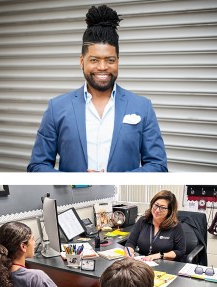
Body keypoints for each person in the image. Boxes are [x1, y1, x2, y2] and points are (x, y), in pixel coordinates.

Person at [27, 5, 168, 172]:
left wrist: (117, 179)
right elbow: (37, 166)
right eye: (94, 60)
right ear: (82, 61)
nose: (102, 67)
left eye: (110, 60)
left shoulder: (142, 107)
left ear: (118, 61)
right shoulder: (56, 108)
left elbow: (157, 166)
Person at [125, 190, 186, 261]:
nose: (157, 210)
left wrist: (159, 255)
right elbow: (130, 243)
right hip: (143, 262)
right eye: (156, 205)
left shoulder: (175, 226)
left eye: (162, 208)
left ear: (169, 211)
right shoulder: (143, 221)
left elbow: (180, 251)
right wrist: (129, 252)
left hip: (164, 264)